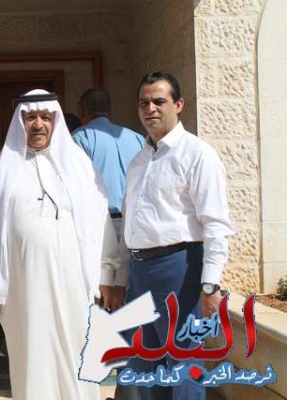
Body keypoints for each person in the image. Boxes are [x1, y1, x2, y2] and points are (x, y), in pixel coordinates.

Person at [0, 89, 121, 400]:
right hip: (21, 287)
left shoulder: (79, 167)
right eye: (30, 117)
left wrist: (106, 275)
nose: (38, 124)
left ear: (56, 121)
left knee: (76, 353)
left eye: (45, 117)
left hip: (73, 284)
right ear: (19, 122)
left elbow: (100, 223)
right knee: (30, 356)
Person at [122, 71, 234, 400]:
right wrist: (120, 277)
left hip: (179, 270)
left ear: (179, 104)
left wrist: (210, 284)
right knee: (146, 364)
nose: (150, 109)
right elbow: (131, 222)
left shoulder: (197, 154)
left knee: (182, 363)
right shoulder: (139, 160)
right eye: (144, 103)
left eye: (159, 101)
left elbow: (215, 223)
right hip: (140, 272)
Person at [73, 88, 145, 311]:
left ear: (82, 110)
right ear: (110, 110)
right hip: (134, 224)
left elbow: (77, 187)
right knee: (130, 294)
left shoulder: (80, 138)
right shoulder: (136, 138)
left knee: (99, 295)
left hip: (99, 228)